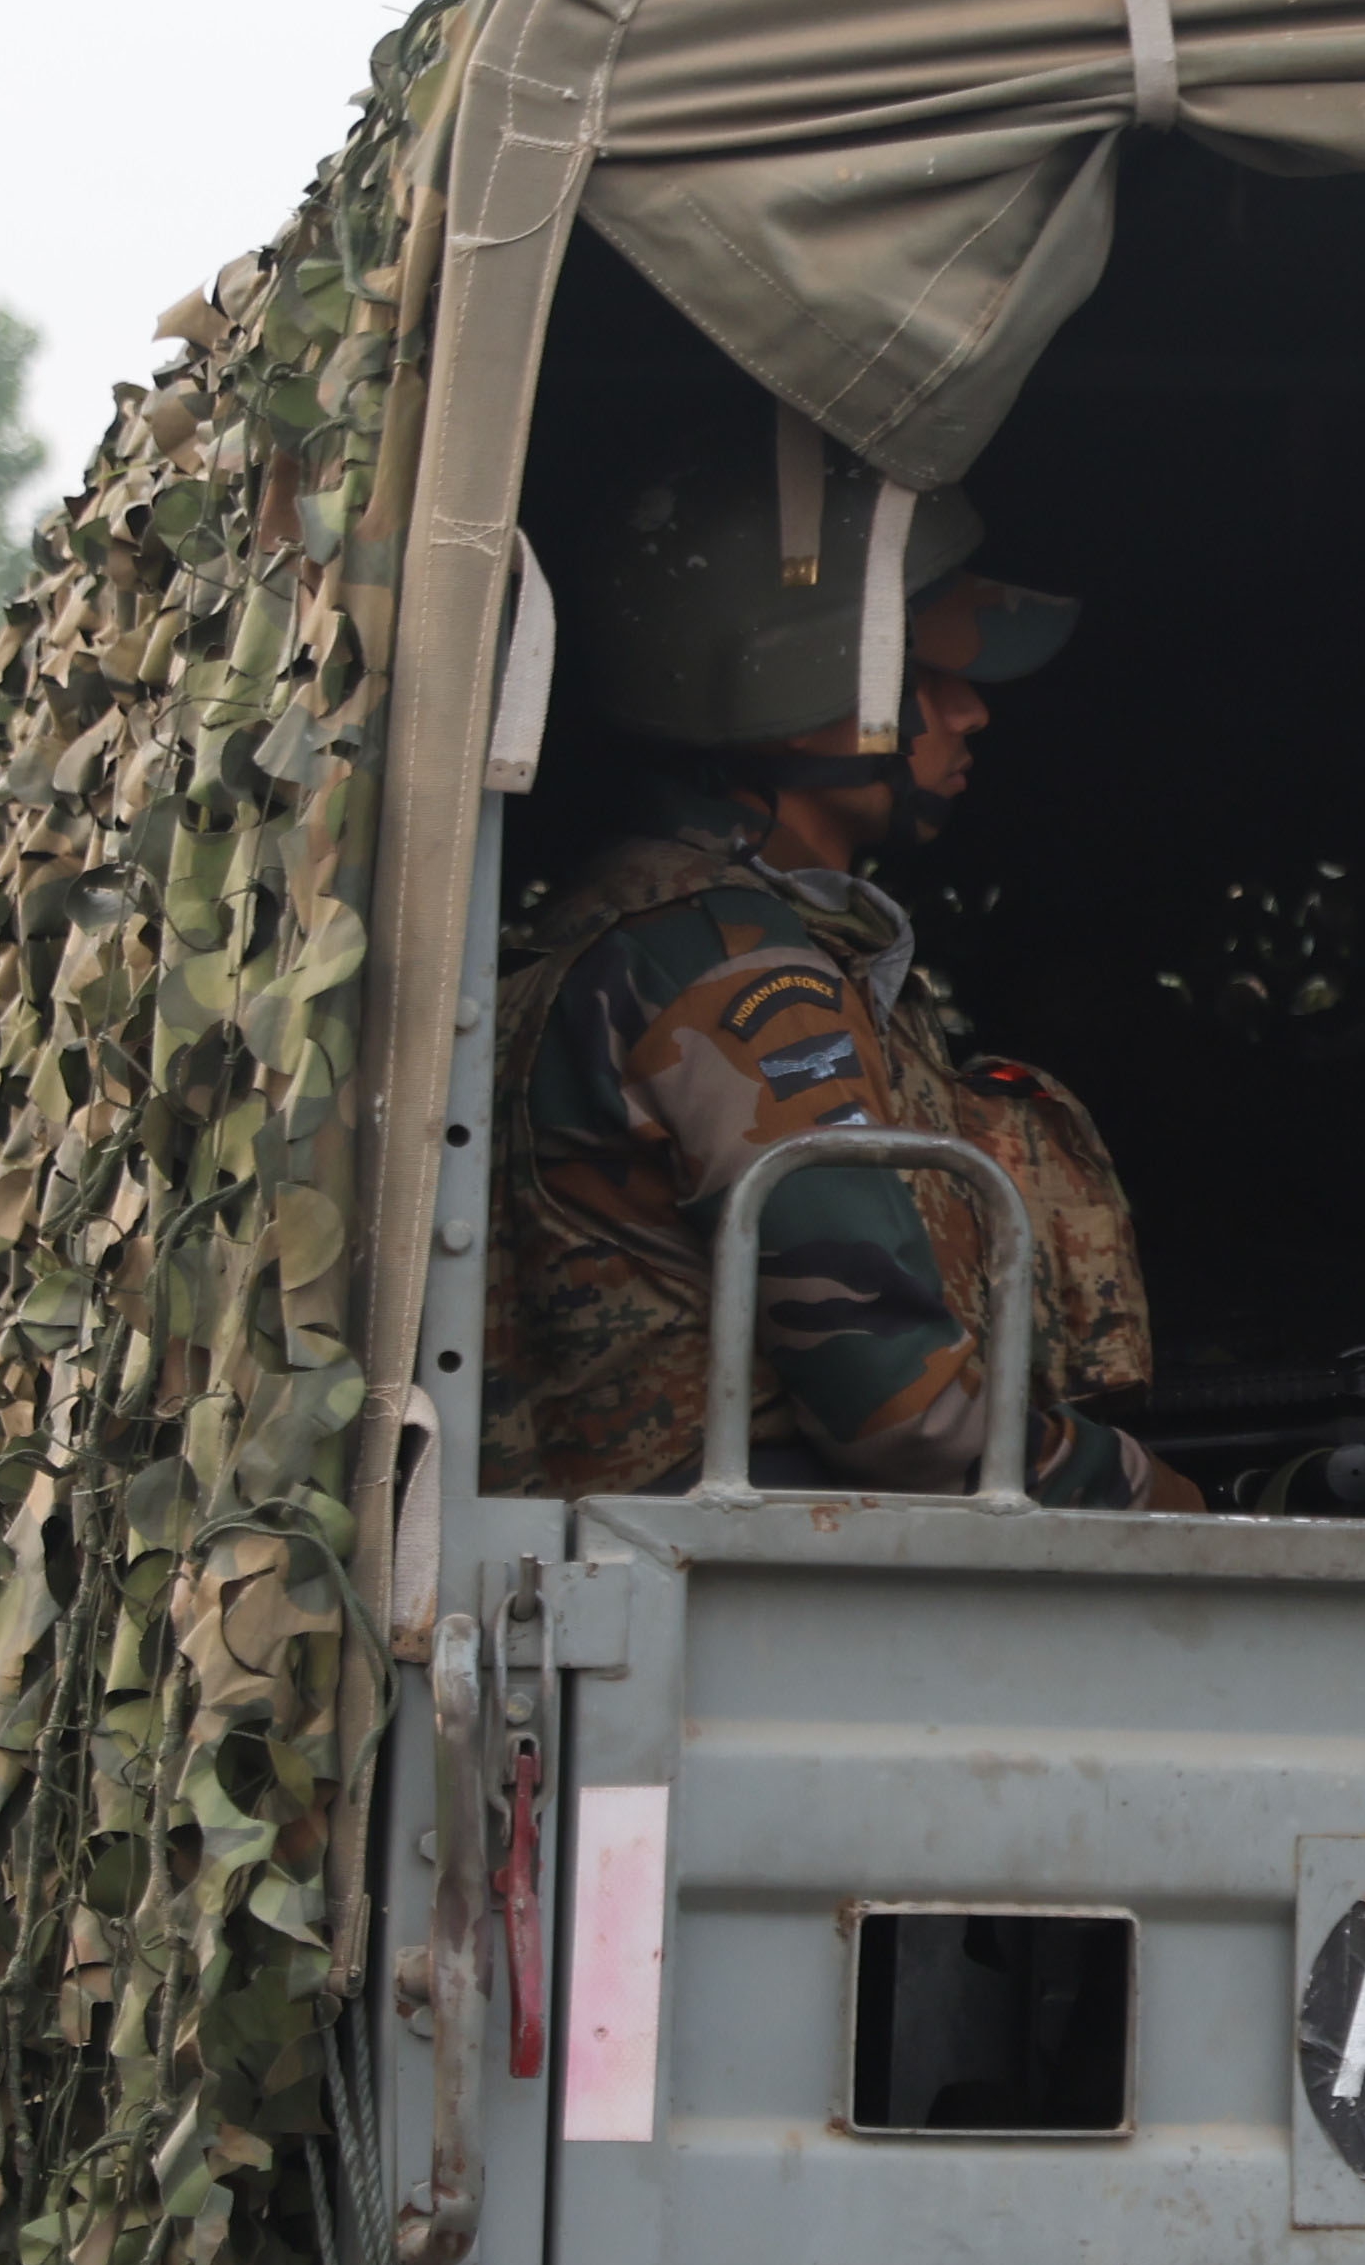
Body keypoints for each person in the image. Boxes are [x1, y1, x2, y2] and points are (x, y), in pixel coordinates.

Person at [486, 441, 1196, 1509]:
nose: (971, 713)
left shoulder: (614, 927)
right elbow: (909, 1420)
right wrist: (1156, 1494)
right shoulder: (733, 973)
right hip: (741, 1586)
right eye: (929, 677)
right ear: (800, 694)